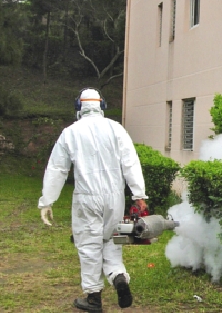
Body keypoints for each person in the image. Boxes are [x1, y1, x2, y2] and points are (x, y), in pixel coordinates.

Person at [38, 88, 148, 312]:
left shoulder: (71, 132)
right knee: (113, 240)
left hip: (87, 199)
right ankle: (118, 277)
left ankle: (93, 299)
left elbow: (57, 168)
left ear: (79, 106)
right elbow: (130, 162)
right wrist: (139, 195)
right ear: (102, 106)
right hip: (115, 198)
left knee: (89, 246)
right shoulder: (116, 128)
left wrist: (47, 200)